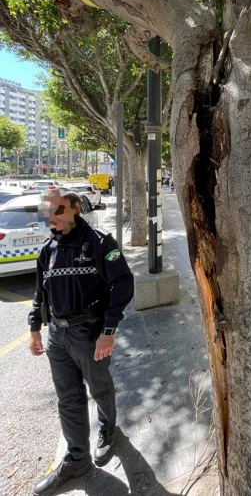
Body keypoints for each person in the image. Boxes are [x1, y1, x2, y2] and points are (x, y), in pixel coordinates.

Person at [28, 190, 134, 496]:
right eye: (47, 213)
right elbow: (40, 293)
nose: (52, 218)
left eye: (58, 210)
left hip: (90, 334)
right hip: (57, 338)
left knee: (99, 386)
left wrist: (109, 329)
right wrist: (34, 327)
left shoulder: (100, 242)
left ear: (75, 208)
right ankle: (76, 458)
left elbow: (123, 283)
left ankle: (108, 428)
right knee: (68, 399)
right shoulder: (47, 249)